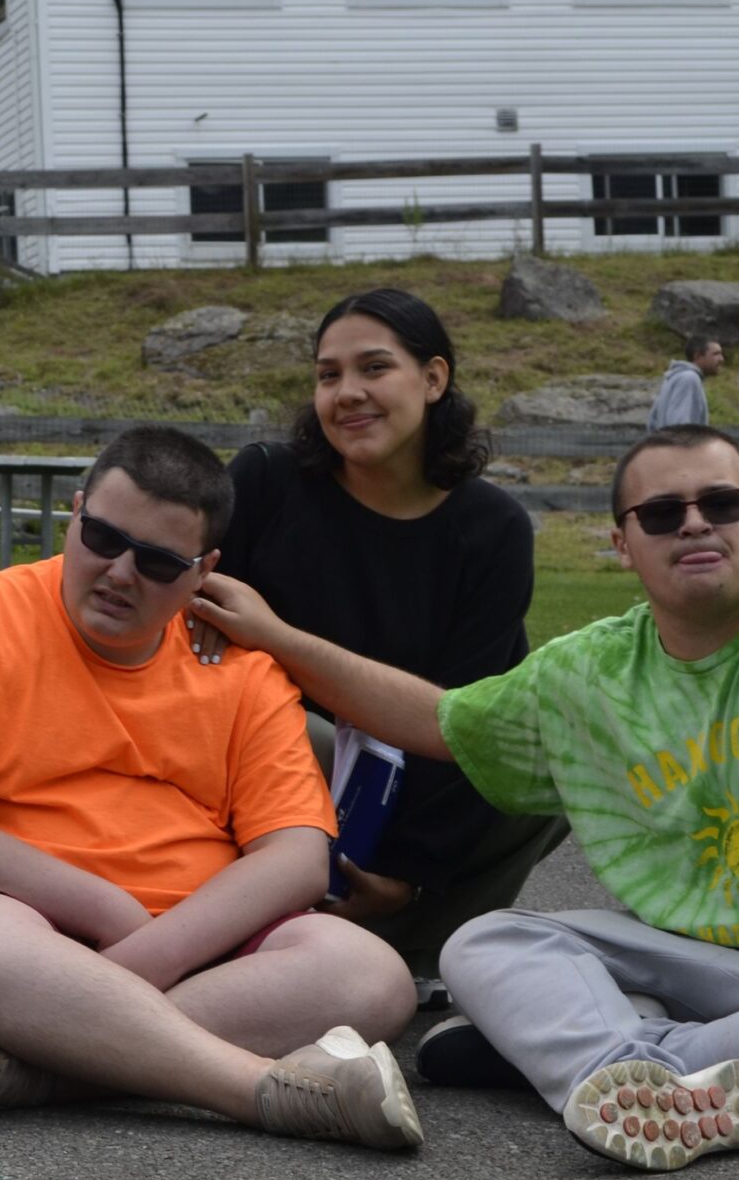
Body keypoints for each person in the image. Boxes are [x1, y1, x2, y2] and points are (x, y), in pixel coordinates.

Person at [190, 423, 739, 1172]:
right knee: (484, 944)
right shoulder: (593, 670)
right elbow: (437, 720)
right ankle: (648, 1075)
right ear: (622, 544)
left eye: (721, 503)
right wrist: (279, 639)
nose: (694, 523)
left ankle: (602, 1057)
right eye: (661, 514)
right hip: (686, 954)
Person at [0, 426, 423, 1152]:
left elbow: (299, 857)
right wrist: (107, 908)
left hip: (200, 941)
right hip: (18, 930)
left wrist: (141, 959)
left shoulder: (241, 667)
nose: (120, 572)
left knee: (371, 975)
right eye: (101, 538)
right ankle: (261, 1092)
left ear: (203, 570)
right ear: (76, 512)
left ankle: (24, 1069)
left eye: (156, 562)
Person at [210, 289, 566, 977]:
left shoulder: (492, 530)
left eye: (374, 368)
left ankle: (418, 943)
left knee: (550, 751)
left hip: (415, 767)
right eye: (328, 375)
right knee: (277, 718)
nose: (347, 393)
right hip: (271, 750)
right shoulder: (264, 482)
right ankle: (260, 919)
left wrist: (404, 866)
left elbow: (471, 716)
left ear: (434, 379)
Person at [651, 337, 720, 431]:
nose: (721, 359)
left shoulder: (673, 378)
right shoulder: (689, 379)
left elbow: (652, 422)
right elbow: (680, 428)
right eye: (716, 354)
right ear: (698, 356)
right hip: (679, 445)